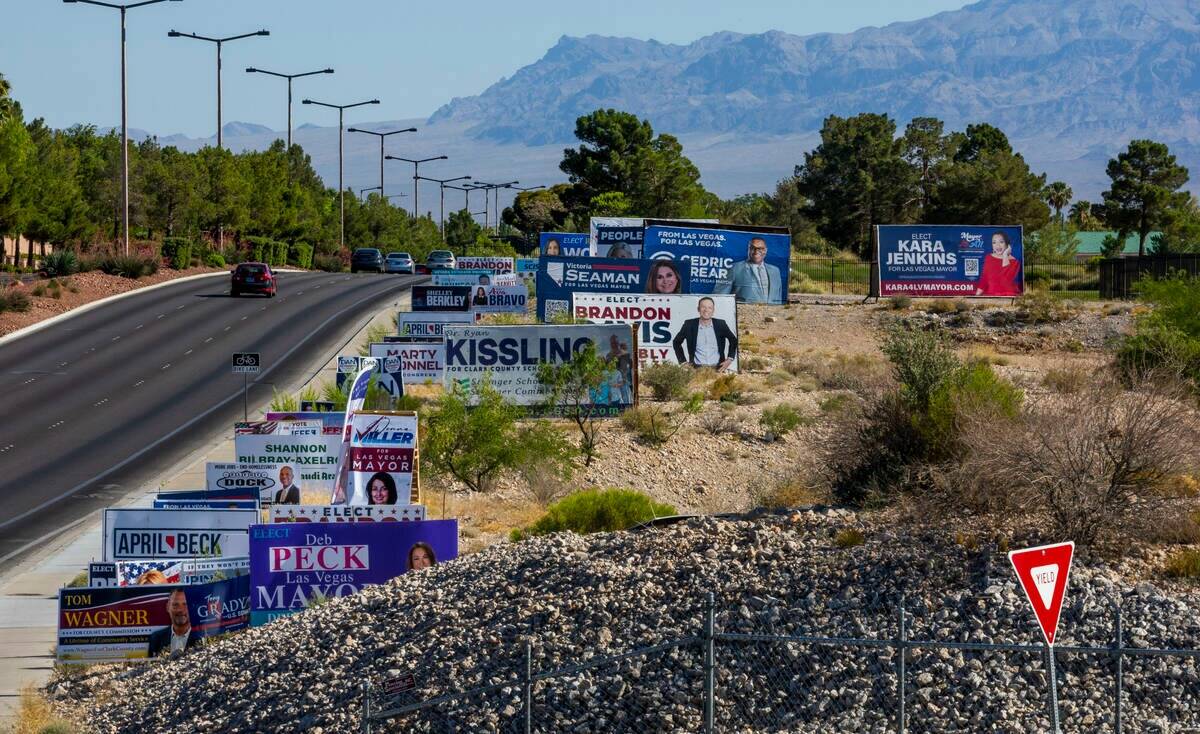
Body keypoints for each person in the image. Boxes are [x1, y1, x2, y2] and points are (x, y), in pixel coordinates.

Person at [672, 297, 737, 371]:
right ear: (698, 309)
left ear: (713, 310)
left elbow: (733, 340)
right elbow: (676, 342)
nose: (706, 310)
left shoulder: (721, 324)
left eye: (710, 308)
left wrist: (729, 359)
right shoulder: (689, 325)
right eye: (703, 307)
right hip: (696, 370)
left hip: (718, 369)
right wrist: (683, 362)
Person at [714, 237, 782, 304]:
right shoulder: (734, 268)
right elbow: (719, 296)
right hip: (744, 314)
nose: (756, 251)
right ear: (748, 249)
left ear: (765, 250)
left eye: (760, 248)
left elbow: (778, 298)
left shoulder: (775, 271)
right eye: (753, 248)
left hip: (771, 314)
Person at [147, 588, 200, 657]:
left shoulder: (202, 637)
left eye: (185, 604)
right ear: (168, 607)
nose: (180, 610)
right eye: (175, 605)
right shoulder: (156, 638)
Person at [975, 231, 1022, 296]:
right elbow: (985, 279)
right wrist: (976, 296)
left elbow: (1006, 278)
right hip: (991, 295)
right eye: (994, 242)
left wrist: (1005, 255)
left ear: (1007, 244)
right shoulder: (988, 257)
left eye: (1001, 242)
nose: (997, 245)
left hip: (1009, 295)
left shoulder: (1014, 261)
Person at [605, 334, 634, 405]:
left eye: (615, 342)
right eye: (612, 343)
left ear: (618, 342)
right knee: (615, 401)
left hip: (624, 382)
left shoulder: (625, 354)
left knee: (626, 401)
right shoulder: (609, 355)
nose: (613, 344)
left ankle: (628, 413)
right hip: (613, 383)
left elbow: (628, 368)